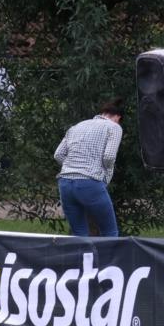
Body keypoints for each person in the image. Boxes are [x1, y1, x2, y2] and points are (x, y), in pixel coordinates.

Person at [54, 98, 124, 237]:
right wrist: (106, 176)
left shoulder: (77, 126)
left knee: (79, 233)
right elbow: (109, 156)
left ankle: (81, 259)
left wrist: (73, 167)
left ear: (103, 113)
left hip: (65, 184)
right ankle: (110, 260)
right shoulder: (114, 127)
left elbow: (58, 155)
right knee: (110, 232)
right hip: (89, 183)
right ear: (118, 117)